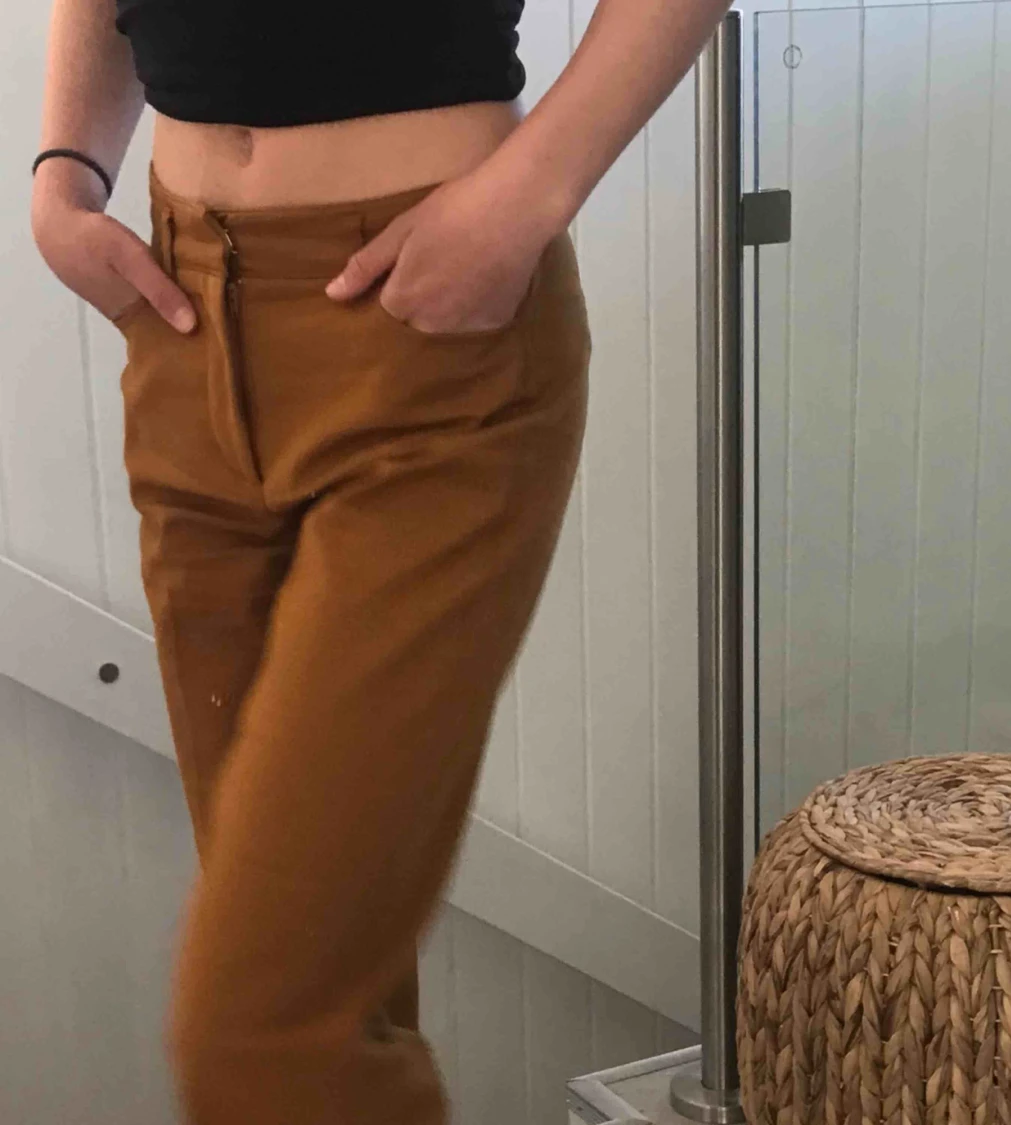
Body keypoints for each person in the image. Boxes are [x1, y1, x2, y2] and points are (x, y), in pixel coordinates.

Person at [30, 0, 733, 1120]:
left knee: (263, 1030)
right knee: (328, 997)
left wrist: (533, 190)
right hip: (182, 319)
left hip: (426, 331)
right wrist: (65, 171)